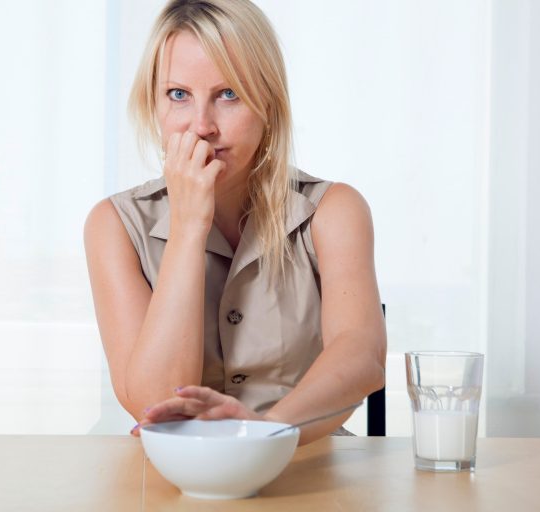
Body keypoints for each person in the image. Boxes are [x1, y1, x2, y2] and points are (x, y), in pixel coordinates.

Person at [84, 0, 386, 445]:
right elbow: (155, 403)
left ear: (267, 102)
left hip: (306, 465)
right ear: (154, 103)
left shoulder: (333, 210)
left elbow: (362, 357)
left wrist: (267, 432)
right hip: (173, 475)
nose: (202, 126)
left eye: (229, 95)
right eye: (178, 95)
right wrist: (188, 226)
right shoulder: (113, 224)